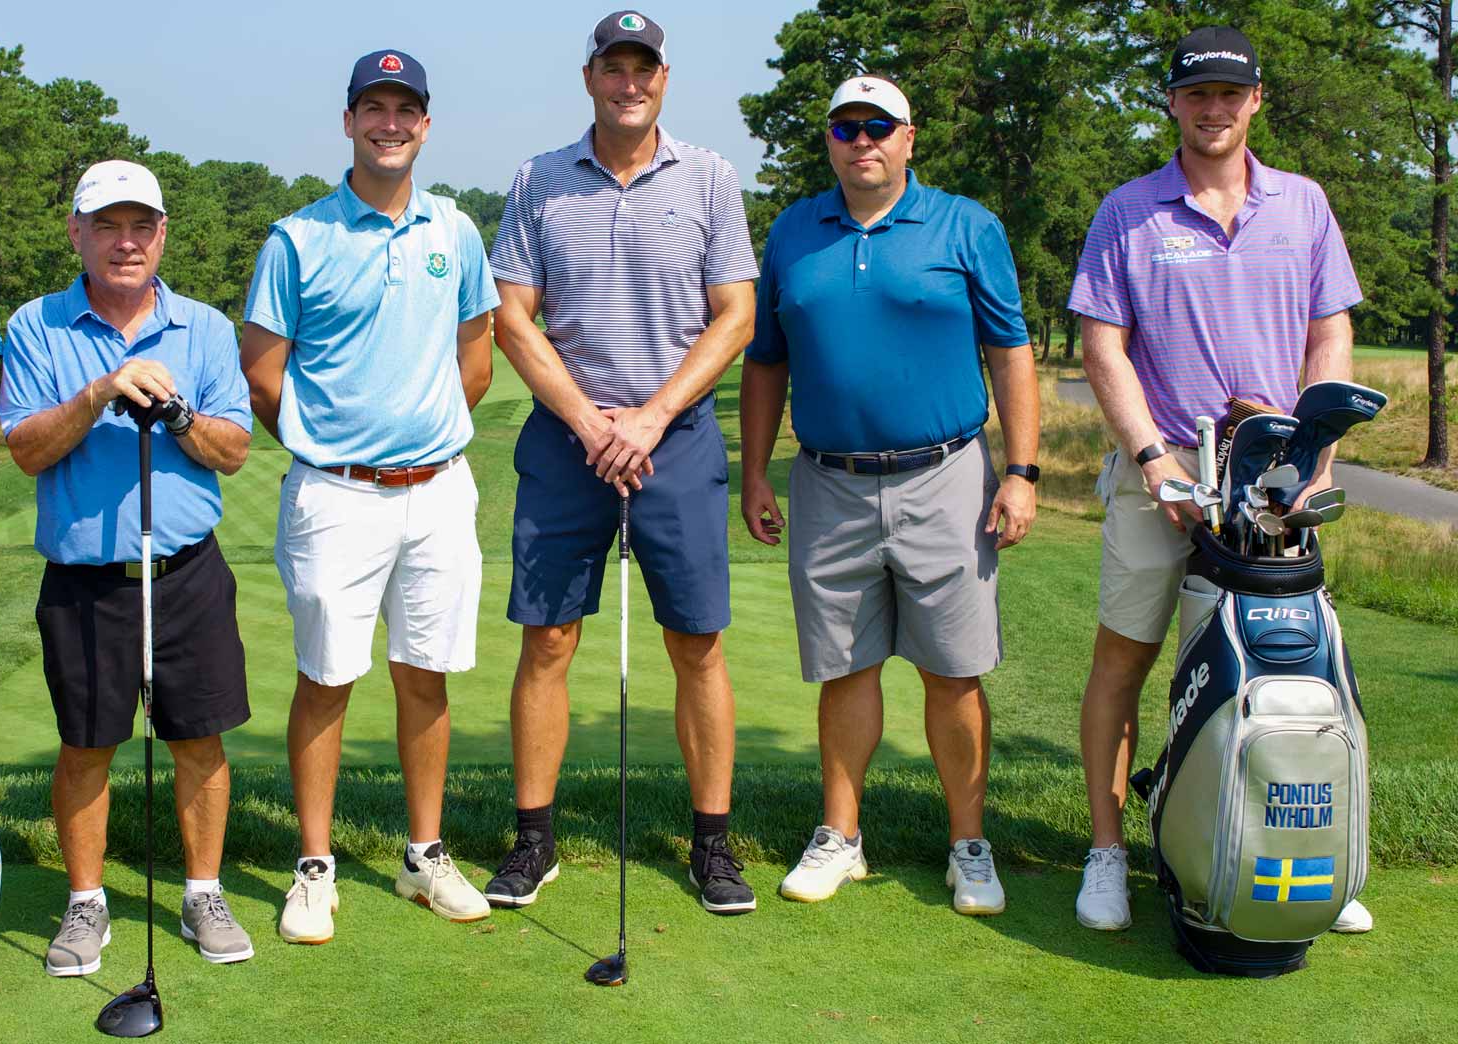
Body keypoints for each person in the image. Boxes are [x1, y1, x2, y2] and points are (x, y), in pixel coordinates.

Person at [1067, 26, 1370, 933]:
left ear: (1255, 102)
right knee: (1124, 660)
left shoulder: (1305, 204)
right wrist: (1151, 456)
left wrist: (1319, 459)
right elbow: (1102, 344)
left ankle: (1292, 847)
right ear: (1173, 102)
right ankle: (1108, 853)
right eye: (1197, 94)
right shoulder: (1130, 210)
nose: (1213, 109)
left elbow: (1330, 330)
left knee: (1286, 661)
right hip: (1163, 472)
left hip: (1275, 479)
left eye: (1229, 95)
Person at [741, 75, 1040, 915]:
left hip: (947, 476)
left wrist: (1021, 471)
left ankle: (968, 844)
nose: (861, 140)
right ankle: (842, 836)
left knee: (954, 670)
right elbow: (767, 358)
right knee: (845, 667)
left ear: (910, 138)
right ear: (830, 140)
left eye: (879, 126)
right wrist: (757, 469)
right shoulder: (796, 230)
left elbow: (1010, 352)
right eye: (846, 127)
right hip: (828, 481)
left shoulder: (966, 225)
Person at [485, 11, 760, 915]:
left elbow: (735, 317)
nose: (629, 82)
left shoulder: (712, 179)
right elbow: (514, 317)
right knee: (550, 641)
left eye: (644, 68)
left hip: (673, 439)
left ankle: (712, 845)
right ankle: (534, 841)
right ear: (590, 75)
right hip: (569, 444)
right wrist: (589, 421)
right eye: (614, 67)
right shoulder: (537, 180)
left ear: (664, 80)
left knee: (697, 644)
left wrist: (647, 417)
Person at [240, 50, 498, 945]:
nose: (390, 123)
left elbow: (477, 357)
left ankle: (424, 854)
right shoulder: (297, 237)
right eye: (373, 107)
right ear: (348, 121)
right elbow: (263, 377)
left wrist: (420, 442)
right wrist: (335, 452)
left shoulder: (456, 233)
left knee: (424, 677)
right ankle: (315, 867)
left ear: (425, 125)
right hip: (335, 496)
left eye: (406, 109)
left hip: (437, 493)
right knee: (326, 678)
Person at [0, 160, 257, 972]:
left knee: (199, 742)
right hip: (86, 582)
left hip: (185, 573)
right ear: (76, 233)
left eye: (141, 225)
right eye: (106, 225)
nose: (125, 242)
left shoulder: (207, 328)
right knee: (87, 746)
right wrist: (100, 392)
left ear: (162, 235)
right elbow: (26, 451)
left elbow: (236, 449)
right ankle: (85, 906)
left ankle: (203, 892)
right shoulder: (37, 327)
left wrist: (178, 412)